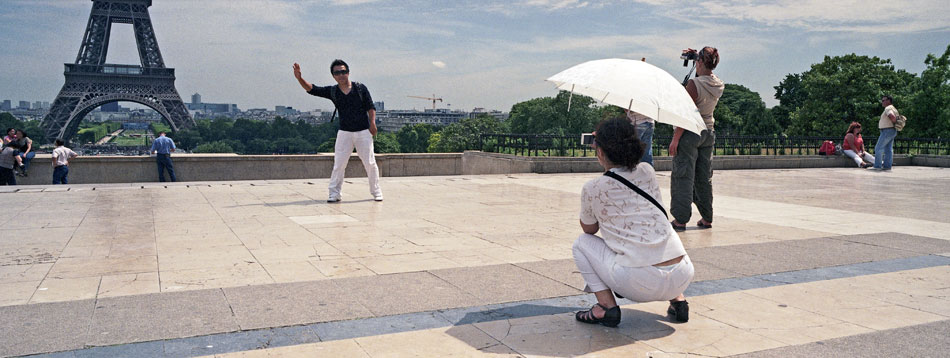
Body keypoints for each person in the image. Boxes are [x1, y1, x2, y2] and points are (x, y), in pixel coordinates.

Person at [573, 117, 694, 328]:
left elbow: (589, 229)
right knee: (655, 238)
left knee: (581, 244)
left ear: (600, 151)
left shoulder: (593, 187)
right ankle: (678, 301)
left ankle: (606, 308)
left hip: (638, 281)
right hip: (683, 274)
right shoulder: (647, 171)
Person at [294, 59, 382, 202]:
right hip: (344, 132)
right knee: (339, 164)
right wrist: (299, 78)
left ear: (348, 72)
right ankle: (334, 193)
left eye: (343, 71)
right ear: (333, 75)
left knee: (370, 163)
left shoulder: (360, 88)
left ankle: (376, 192)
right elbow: (312, 89)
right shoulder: (333, 91)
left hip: (363, 132)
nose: (341, 75)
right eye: (337, 73)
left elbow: (370, 107)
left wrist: (372, 123)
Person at [669, 46, 723, 232]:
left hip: (691, 132)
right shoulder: (718, 84)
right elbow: (706, 74)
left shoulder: (694, 84)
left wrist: (675, 139)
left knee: (683, 176)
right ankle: (707, 217)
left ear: (699, 62)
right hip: (708, 132)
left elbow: (686, 114)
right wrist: (698, 59)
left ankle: (680, 219)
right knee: (703, 177)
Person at [872, 95, 899, 171]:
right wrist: (895, 124)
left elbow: (891, 116)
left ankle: (877, 166)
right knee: (888, 149)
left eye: (883, 100)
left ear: (888, 101)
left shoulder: (888, 108)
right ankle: (887, 166)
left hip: (887, 130)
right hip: (892, 130)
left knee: (878, 148)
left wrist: (894, 122)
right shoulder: (894, 108)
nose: (882, 102)